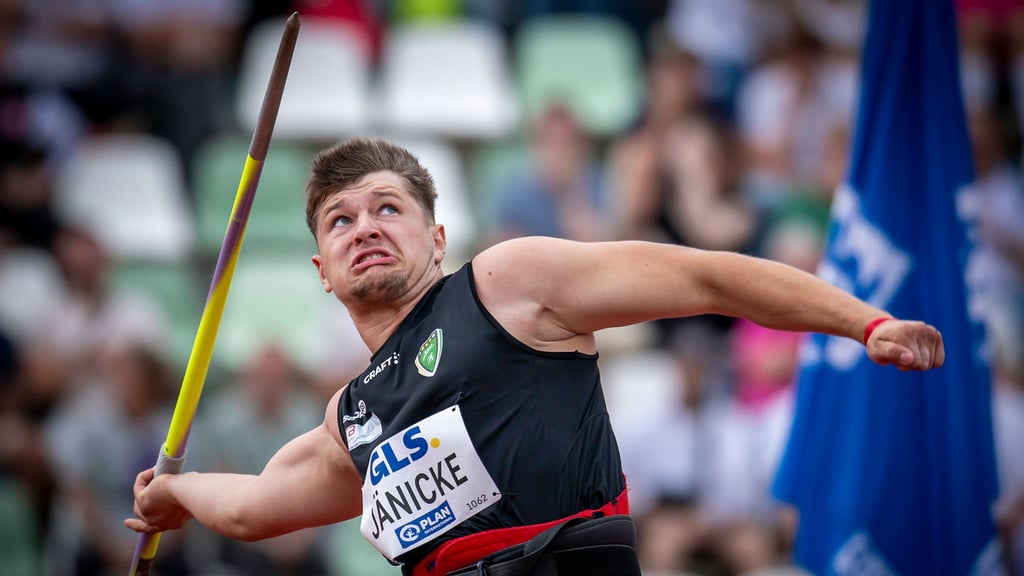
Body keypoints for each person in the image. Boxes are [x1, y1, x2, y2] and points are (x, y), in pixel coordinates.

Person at [126, 138, 945, 576]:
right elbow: (253, 505)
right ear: (322, 270)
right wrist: (174, 493)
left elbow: (705, 276)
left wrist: (864, 322)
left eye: (388, 208)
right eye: (340, 221)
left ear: (437, 236)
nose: (365, 227)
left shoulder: (504, 284)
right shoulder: (354, 416)